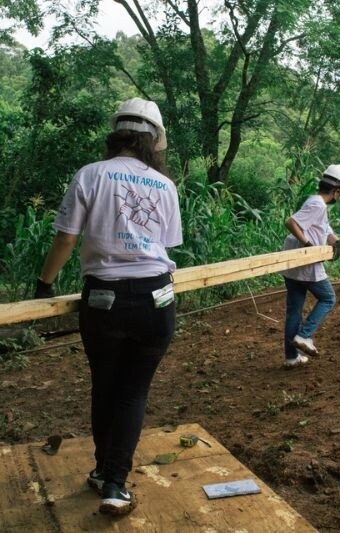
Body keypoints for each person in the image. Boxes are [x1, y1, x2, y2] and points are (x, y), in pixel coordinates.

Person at [34, 98, 182, 515]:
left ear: (115, 132)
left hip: (103, 301)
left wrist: (43, 285)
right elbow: (164, 246)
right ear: (154, 140)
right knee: (134, 391)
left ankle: (104, 472)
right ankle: (116, 483)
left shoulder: (90, 175)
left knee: (106, 385)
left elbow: (66, 239)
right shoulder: (164, 185)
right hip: (157, 298)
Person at [281, 165, 340, 367]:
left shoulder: (314, 202)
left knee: (294, 310)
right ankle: (304, 335)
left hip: (292, 263)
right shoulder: (318, 205)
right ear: (336, 191)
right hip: (304, 262)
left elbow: (323, 228)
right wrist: (307, 244)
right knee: (328, 298)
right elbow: (291, 222)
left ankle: (291, 357)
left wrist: (335, 241)